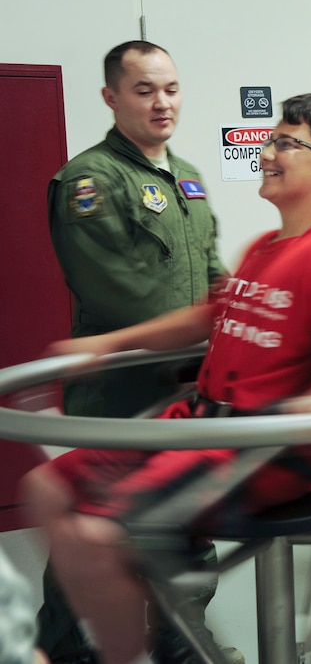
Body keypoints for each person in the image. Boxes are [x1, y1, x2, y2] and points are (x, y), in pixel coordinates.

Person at [21, 92, 311, 664]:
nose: (267, 151)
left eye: (285, 142)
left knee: (100, 534)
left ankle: (135, 651)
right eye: (270, 139)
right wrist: (110, 343)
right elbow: (206, 317)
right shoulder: (265, 249)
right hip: (200, 426)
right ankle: (78, 647)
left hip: (259, 450)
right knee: (48, 490)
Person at [42, 40, 231, 664]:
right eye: (145, 90)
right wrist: (205, 328)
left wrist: (238, 326)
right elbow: (122, 295)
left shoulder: (190, 177)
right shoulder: (89, 181)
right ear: (111, 97)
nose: (162, 103)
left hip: (188, 388)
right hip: (121, 393)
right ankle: (62, 647)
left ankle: (177, 637)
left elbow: (213, 274)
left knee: (183, 522)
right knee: (105, 524)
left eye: (171, 89)